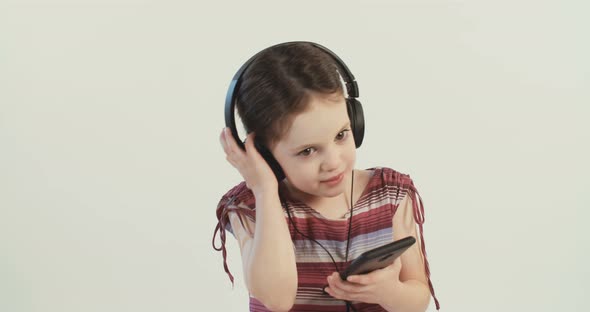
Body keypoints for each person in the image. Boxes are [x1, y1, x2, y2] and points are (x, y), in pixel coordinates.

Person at [212, 42, 440, 312]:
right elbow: (277, 299)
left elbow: (418, 299)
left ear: (355, 121)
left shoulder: (389, 195)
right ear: (264, 155)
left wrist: (389, 291)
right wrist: (264, 191)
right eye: (307, 151)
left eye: (341, 135)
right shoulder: (250, 207)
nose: (333, 162)